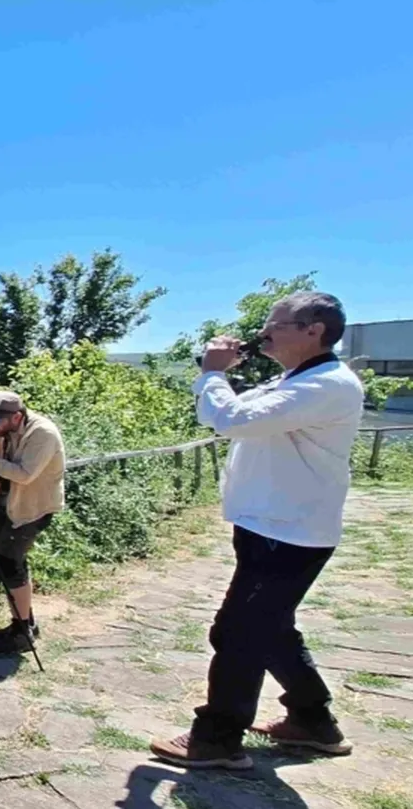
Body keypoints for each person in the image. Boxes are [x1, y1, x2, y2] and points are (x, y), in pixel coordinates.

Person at [151, 292, 363, 770]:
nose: (265, 331)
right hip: (273, 525)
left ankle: (218, 738)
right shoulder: (296, 379)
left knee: (238, 632)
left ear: (315, 330)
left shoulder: (325, 385)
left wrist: (213, 372)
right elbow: (238, 415)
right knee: (271, 629)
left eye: (277, 324)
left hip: (288, 531)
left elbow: (230, 419)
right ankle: (313, 721)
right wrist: (218, 377)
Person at [0, 390, 66, 654]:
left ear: (16, 417)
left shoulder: (43, 433)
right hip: (3, 503)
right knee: (9, 563)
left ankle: (22, 629)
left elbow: (25, 474)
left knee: (8, 561)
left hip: (32, 507)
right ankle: (24, 622)